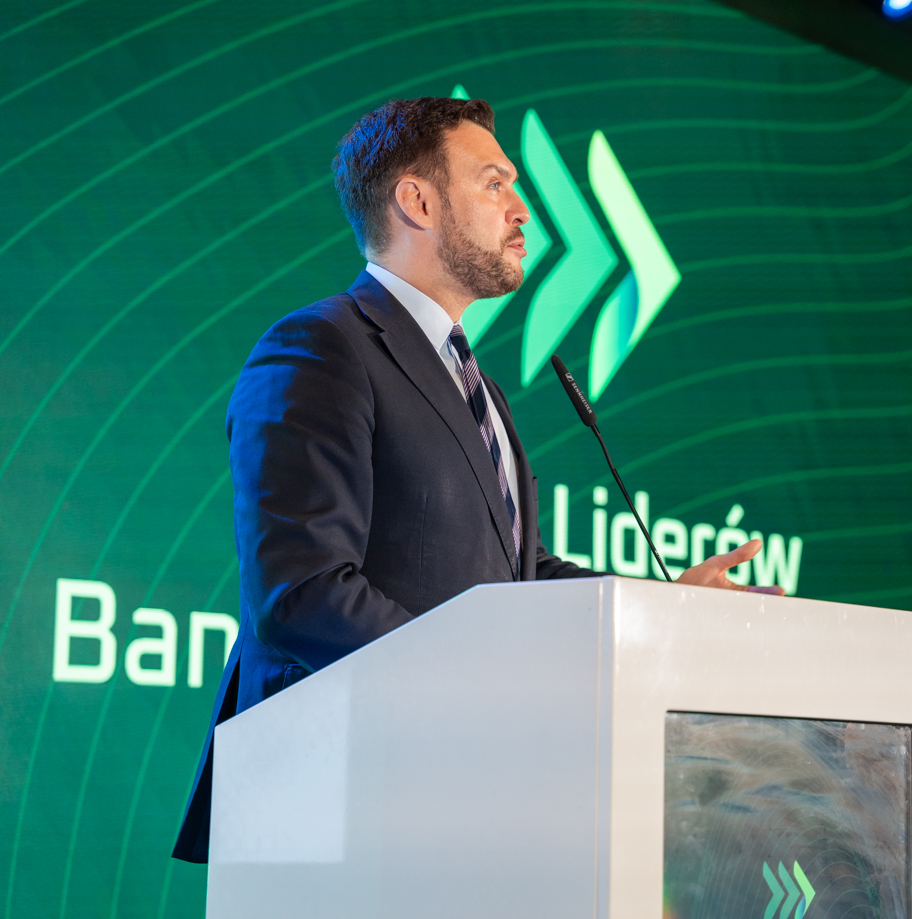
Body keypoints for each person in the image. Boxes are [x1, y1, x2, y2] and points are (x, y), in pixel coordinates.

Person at [172, 97, 782, 863]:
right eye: (494, 184)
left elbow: (520, 578)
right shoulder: (320, 348)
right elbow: (303, 593)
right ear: (418, 201)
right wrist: (491, 692)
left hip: (461, 804)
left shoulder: (479, 387)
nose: (523, 210)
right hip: (339, 805)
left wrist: (666, 605)